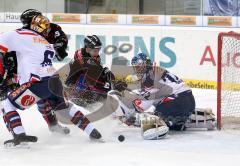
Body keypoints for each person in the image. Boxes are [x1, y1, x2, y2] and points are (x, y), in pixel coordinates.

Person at [0, 15, 102, 147]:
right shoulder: (45, 43)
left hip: (37, 83)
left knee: (7, 104)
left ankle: (19, 135)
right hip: (54, 81)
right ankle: (92, 131)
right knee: (64, 109)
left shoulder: (20, 34)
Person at [114, 52, 216, 139]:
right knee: (163, 110)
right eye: (135, 67)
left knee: (156, 114)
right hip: (188, 101)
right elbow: (150, 95)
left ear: (146, 65)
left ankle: (162, 125)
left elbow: (142, 105)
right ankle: (196, 119)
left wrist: (126, 114)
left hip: (178, 102)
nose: (137, 70)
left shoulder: (150, 78)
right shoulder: (155, 72)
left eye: (139, 67)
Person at [0, 9, 70, 135]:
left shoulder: (50, 29)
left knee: (41, 99)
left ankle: (53, 126)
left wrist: (61, 46)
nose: (43, 25)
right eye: (37, 18)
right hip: (15, 72)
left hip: (32, 73)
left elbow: (61, 49)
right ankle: (17, 131)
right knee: (6, 101)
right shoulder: (20, 35)